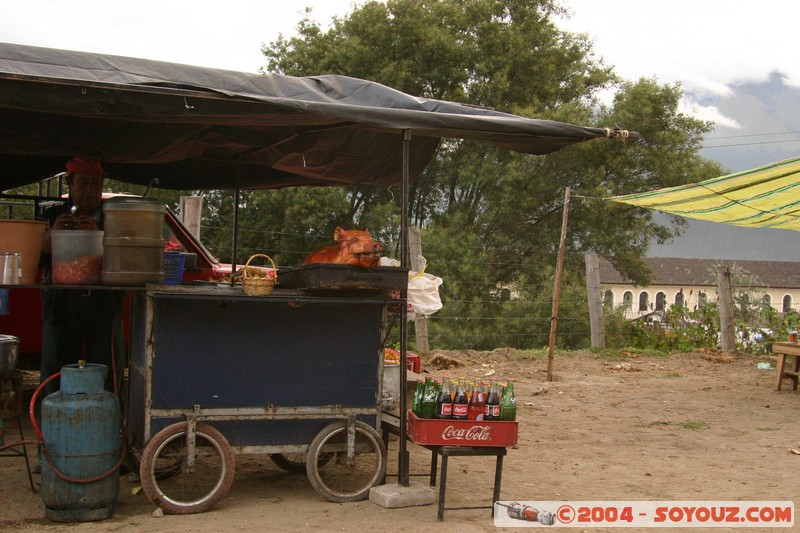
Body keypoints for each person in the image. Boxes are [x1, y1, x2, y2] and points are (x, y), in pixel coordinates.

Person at [37, 156, 124, 396]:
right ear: (70, 185)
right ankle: (51, 425)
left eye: (96, 184)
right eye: (83, 183)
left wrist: (99, 237)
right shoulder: (51, 214)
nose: (90, 190)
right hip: (61, 304)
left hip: (103, 304)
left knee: (108, 368)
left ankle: (112, 422)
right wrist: (52, 236)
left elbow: (123, 259)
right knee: (56, 369)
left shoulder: (113, 218)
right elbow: (32, 255)